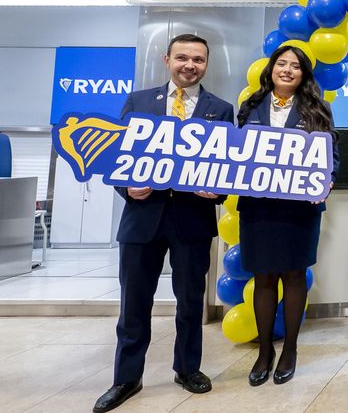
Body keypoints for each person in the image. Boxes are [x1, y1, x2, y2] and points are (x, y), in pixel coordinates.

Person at [94, 34, 234, 413]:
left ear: (206, 64)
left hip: (193, 220)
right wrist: (126, 187)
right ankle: (126, 378)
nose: (190, 65)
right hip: (142, 219)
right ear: (166, 59)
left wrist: (217, 191)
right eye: (183, 57)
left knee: (190, 302)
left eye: (198, 59)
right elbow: (117, 156)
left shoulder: (221, 110)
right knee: (134, 303)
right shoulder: (138, 102)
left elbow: (227, 166)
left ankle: (187, 369)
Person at [237, 45, 337, 387]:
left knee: (294, 276)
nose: (288, 70)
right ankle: (264, 351)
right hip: (258, 207)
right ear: (271, 69)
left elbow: (332, 153)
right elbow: (234, 151)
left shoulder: (317, 108)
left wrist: (327, 179)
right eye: (282, 63)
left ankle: (290, 350)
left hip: (300, 209)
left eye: (296, 66)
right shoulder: (250, 106)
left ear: (303, 74)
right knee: (264, 278)